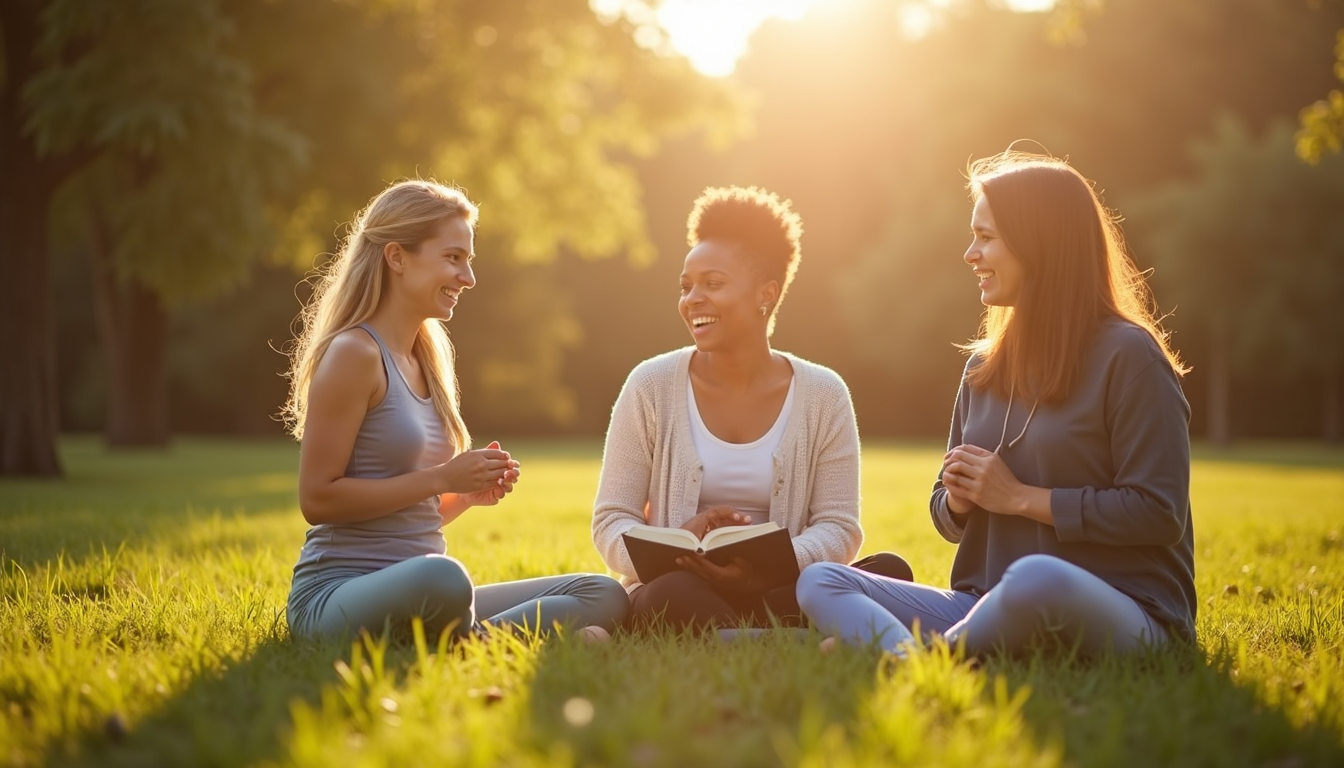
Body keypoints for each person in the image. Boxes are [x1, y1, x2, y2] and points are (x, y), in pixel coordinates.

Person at [797, 151, 1196, 658]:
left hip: (1130, 612)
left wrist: (1020, 497)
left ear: (1041, 245)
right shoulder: (982, 368)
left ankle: (913, 655)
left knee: (1036, 579)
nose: (970, 254)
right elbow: (945, 513)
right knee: (821, 581)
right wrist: (960, 501)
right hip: (982, 603)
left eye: (986, 237)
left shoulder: (1130, 356)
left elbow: (1158, 513)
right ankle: (917, 657)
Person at [282, 179, 628, 643]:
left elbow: (406, 518)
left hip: (423, 589)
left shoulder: (428, 356)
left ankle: (468, 641)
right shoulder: (355, 353)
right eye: (453, 258)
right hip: (336, 596)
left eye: (468, 260)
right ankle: (492, 643)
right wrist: (443, 478)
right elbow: (317, 500)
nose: (468, 278)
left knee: (602, 592)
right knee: (445, 578)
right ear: (397, 257)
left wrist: (461, 497)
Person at [591, 185, 912, 633]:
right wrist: (679, 542)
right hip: (680, 584)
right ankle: (787, 635)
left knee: (890, 572)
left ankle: (739, 631)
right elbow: (611, 519)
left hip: (783, 585)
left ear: (767, 293)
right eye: (686, 287)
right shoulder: (650, 385)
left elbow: (839, 526)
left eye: (713, 284)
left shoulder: (824, 394)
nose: (692, 299)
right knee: (671, 595)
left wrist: (773, 567)